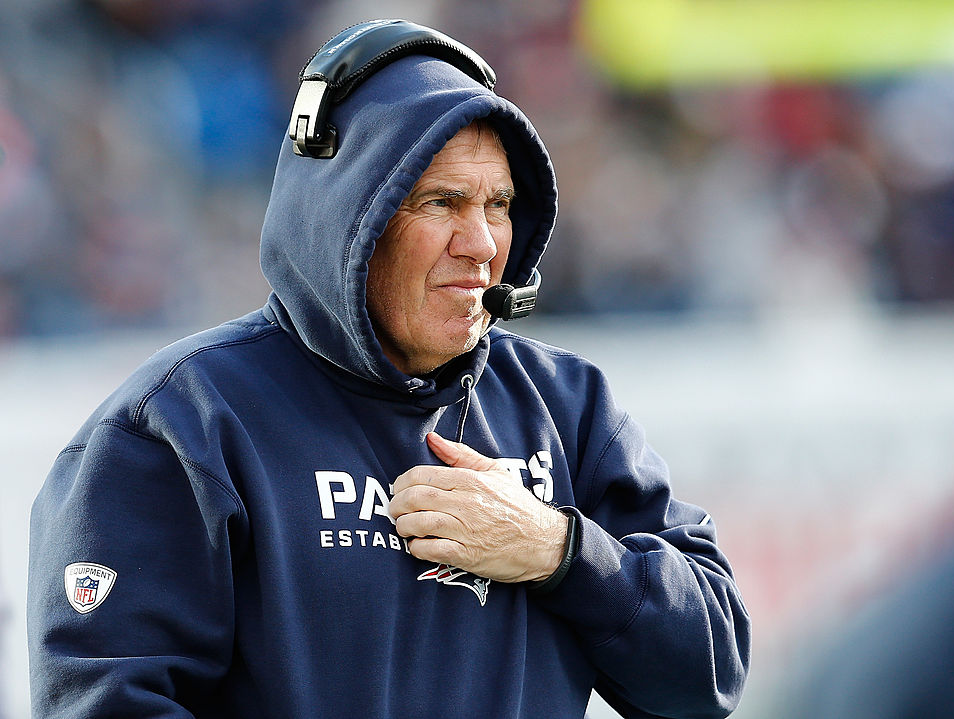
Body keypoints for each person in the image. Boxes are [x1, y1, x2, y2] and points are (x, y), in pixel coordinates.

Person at [27, 20, 750, 719]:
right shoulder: (181, 424)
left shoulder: (569, 406)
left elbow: (710, 673)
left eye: (499, 204)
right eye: (443, 202)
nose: (481, 242)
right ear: (349, 217)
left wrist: (559, 550)